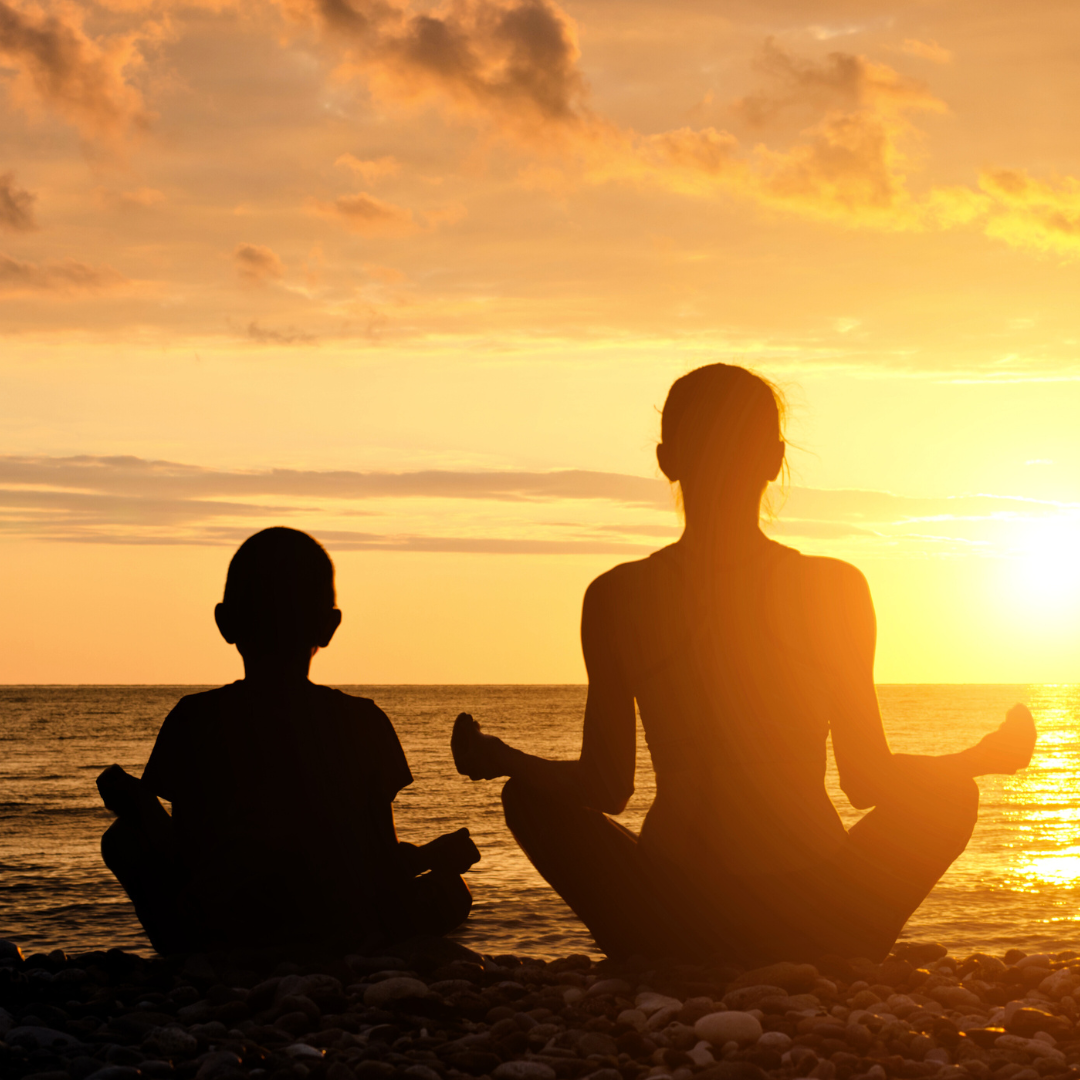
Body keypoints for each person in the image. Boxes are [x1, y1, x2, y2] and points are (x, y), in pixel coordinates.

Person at [451, 363, 1037, 965]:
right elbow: (868, 780)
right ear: (775, 458)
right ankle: (840, 955)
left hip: (667, 917)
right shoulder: (831, 588)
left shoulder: (618, 595)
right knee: (951, 795)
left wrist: (503, 759)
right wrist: (979, 759)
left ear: (665, 459)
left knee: (528, 797)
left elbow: (606, 787)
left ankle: (662, 958)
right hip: (815, 915)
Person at [99, 526, 479, 955]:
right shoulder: (363, 721)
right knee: (451, 893)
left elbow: (189, 856)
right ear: (329, 627)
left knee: (122, 839)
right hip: (337, 930)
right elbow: (375, 862)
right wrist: (433, 857)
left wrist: (141, 808)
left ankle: (194, 960)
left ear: (225, 623)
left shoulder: (195, 718)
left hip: (224, 933)